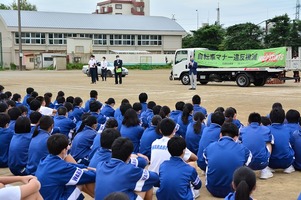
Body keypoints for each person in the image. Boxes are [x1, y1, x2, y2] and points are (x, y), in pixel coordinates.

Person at [95, 137, 159, 200]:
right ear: (129, 156)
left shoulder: (100, 165)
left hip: (107, 197)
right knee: (145, 182)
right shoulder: (129, 170)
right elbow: (155, 177)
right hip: (120, 196)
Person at [35, 134, 96, 200]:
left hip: (45, 196)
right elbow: (90, 176)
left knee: (80, 174)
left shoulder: (45, 159)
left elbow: (72, 166)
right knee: (79, 181)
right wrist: (98, 171)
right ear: (64, 150)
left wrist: (85, 167)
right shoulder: (61, 167)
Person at [203, 122, 252, 198]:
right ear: (236, 137)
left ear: (220, 135)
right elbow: (247, 163)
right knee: (242, 168)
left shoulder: (210, 147)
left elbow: (206, 160)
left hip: (212, 189)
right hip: (235, 190)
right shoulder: (243, 149)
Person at [239, 112, 274, 179]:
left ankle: (244, 170)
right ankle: (265, 169)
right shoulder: (266, 129)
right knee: (268, 143)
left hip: (246, 164)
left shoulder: (242, 130)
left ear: (248, 122)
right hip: (262, 163)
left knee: (241, 143)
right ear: (260, 123)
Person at [268, 108, 295, 174]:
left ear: (270, 118)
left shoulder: (267, 129)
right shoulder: (288, 129)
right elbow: (292, 142)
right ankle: (289, 167)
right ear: (284, 119)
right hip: (287, 161)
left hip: (270, 162)